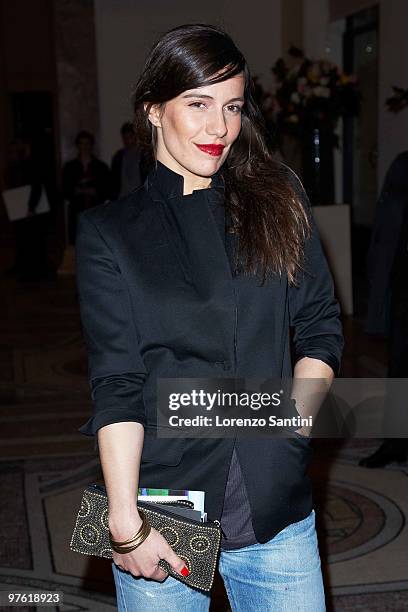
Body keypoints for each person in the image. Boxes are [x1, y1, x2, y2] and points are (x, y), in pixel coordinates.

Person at [76, 24, 343, 611]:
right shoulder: (111, 233)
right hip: (164, 513)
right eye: (197, 105)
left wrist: (293, 422)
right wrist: (125, 523)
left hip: (277, 512)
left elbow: (320, 322)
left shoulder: (278, 196)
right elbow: (118, 384)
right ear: (153, 110)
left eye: (231, 107)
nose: (218, 128)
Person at [360, 151, 408, 468]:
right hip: (403, 281)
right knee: (400, 364)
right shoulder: (403, 164)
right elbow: (384, 228)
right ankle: (395, 443)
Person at [62, 130, 110, 244]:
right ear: (77, 145)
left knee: (96, 242)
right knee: (77, 242)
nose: (84, 147)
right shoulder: (69, 167)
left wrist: (95, 191)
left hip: (96, 209)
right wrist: (76, 190)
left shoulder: (101, 167)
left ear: (91, 145)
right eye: (81, 143)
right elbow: (64, 190)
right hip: (76, 211)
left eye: (87, 143)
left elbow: (108, 189)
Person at [110, 122, 147, 199]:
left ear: (135, 137)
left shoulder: (144, 155)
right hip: (122, 198)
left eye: (130, 137)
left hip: (140, 198)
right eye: (125, 138)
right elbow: (113, 180)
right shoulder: (118, 157)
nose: (127, 140)